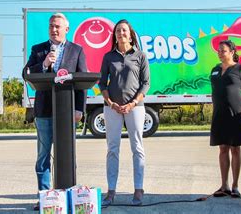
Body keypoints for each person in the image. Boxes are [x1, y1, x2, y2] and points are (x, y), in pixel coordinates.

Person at [22, 13, 87, 211]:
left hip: (66, 112)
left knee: (67, 156)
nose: (54, 29)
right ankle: (44, 197)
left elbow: (82, 82)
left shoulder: (77, 50)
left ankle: (68, 195)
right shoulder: (39, 50)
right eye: (51, 26)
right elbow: (26, 73)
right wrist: (44, 64)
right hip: (44, 111)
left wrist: (79, 109)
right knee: (43, 156)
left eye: (58, 26)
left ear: (66, 29)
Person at [98, 19, 150, 206]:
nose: (121, 33)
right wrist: (110, 103)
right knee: (113, 149)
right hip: (112, 108)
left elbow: (146, 83)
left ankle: (138, 189)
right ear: (115, 35)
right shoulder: (108, 57)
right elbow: (102, 83)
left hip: (135, 108)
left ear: (130, 33)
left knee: (137, 147)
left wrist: (133, 103)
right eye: (118, 31)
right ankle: (111, 191)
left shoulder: (140, 55)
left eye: (124, 30)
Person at [209, 40, 241, 198]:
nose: (220, 52)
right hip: (219, 114)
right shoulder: (215, 70)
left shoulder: (240, 69)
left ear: (232, 52)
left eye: (223, 50)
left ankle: (235, 186)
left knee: (235, 148)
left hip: (235, 115)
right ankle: (224, 186)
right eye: (219, 50)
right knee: (222, 149)